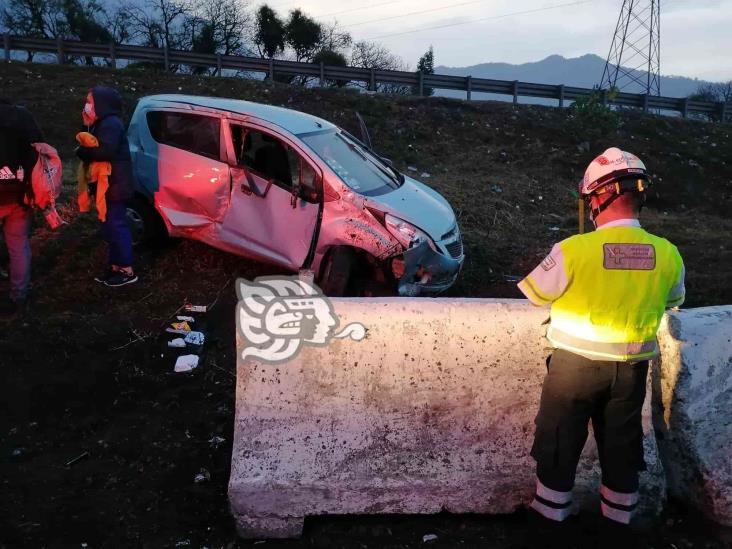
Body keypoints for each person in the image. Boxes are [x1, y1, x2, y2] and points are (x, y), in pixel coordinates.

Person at [517, 148, 685, 547]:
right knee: (622, 447)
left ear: (598, 197)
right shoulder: (668, 253)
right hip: (631, 373)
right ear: (639, 196)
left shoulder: (574, 250)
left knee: (558, 442)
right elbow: (672, 300)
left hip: (573, 370)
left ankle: (549, 524)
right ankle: (616, 529)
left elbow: (536, 294)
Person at [75, 87, 137, 287]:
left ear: (101, 104)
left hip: (114, 185)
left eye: (90, 101)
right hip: (109, 185)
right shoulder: (100, 123)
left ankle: (127, 270)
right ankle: (114, 266)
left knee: (117, 226)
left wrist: (82, 152)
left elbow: (105, 151)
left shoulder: (110, 124)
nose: (87, 105)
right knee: (109, 226)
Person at [0, 98, 44, 316]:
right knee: (18, 246)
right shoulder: (22, 116)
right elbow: (40, 150)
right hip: (20, 194)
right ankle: (19, 296)